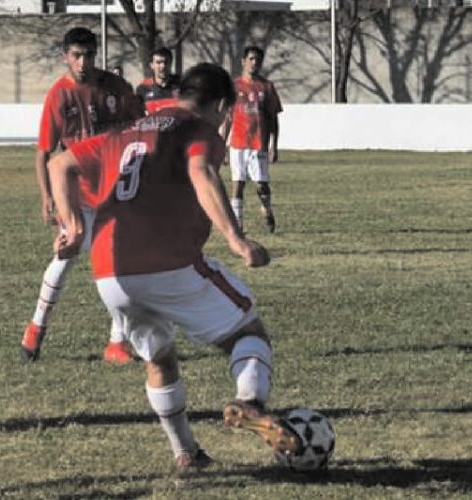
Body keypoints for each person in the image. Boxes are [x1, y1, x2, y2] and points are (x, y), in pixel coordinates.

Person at [47, 63, 302, 470]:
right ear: (221, 106)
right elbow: (201, 173)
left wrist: (74, 224)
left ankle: (186, 453)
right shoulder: (196, 130)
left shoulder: (129, 130)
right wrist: (237, 240)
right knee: (247, 331)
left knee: (159, 358)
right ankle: (251, 402)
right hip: (166, 262)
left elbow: (59, 164)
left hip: (109, 272)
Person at [21, 27, 142, 365]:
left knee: (119, 266)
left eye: (88, 54)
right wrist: (47, 196)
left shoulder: (115, 88)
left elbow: (138, 131)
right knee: (66, 257)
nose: (83, 61)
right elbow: (44, 151)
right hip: (74, 193)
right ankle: (36, 328)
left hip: (114, 192)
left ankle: (117, 342)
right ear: (65, 56)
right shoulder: (58, 96)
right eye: (76, 55)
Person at [222, 45, 282, 234]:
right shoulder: (233, 87)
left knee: (262, 185)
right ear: (243, 61)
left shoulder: (267, 86)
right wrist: (223, 145)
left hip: (259, 144)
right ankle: (238, 225)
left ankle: (267, 209)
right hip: (238, 144)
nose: (254, 63)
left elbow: (273, 118)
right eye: (251, 59)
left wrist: (274, 146)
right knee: (237, 184)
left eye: (258, 59)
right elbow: (228, 118)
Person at [135, 47, 181, 114]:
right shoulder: (143, 88)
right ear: (151, 65)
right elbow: (138, 116)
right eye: (158, 62)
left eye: (166, 62)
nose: (163, 66)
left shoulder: (182, 85)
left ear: (171, 63)